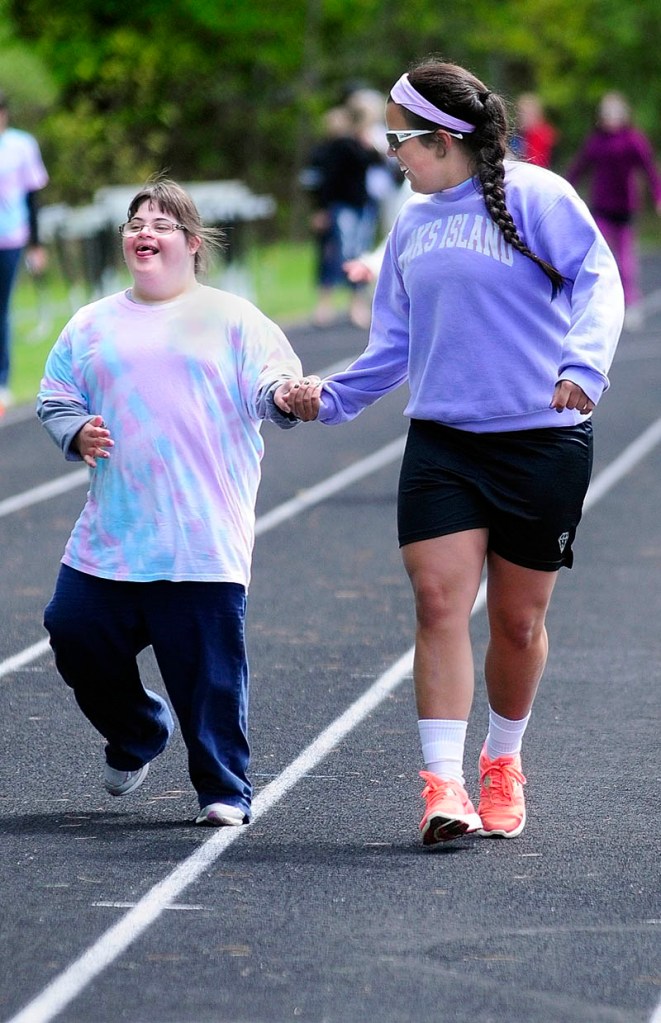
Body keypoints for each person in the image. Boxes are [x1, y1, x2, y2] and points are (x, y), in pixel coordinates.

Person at [275, 59, 624, 846]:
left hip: (541, 442)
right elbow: (391, 345)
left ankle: (503, 760)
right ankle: (443, 785)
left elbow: (597, 280)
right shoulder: (412, 223)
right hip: (443, 445)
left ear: (442, 139)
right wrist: (326, 396)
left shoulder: (537, 197)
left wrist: (583, 365)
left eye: (400, 140)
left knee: (516, 621)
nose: (392, 155)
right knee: (437, 602)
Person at [38, 178, 305, 827]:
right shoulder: (91, 323)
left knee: (207, 674)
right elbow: (55, 397)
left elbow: (271, 387)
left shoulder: (232, 317)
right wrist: (74, 430)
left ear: (190, 242)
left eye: (160, 222)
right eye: (135, 221)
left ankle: (223, 786)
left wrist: (285, 400)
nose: (143, 231)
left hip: (200, 536)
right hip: (113, 533)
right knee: (73, 631)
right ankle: (137, 731)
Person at [566, 91, 661, 328]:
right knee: (594, 252)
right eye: (605, 113)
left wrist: (658, 197)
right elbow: (580, 166)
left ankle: (632, 302)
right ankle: (592, 303)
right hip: (602, 206)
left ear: (623, 114)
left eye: (614, 112)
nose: (609, 117)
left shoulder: (633, 140)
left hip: (626, 207)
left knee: (625, 259)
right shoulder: (596, 140)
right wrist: (564, 189)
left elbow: (649, 170)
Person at [300, 103, 384, 329]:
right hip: (340, 207)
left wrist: (368, 143)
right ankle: (325, 304)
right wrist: (321, 209)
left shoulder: (358, 145)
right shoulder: (332, 148)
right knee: (337, 253)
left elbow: (378, 162)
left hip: (361, 206)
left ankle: (356, 304)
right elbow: (324, 182)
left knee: (358, 252)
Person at [0, 90, 49, 414]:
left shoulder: (21, 146)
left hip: (10, 237)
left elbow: (33, 199)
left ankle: (2, 382)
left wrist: (36, 243)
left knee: (1, 309)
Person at [511, 93, 557, 169]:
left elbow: (536, 163)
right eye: (520, 114)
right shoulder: (518, 135)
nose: (523, 118)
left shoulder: (544, 135)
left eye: (527, 114)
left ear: (538, 114)